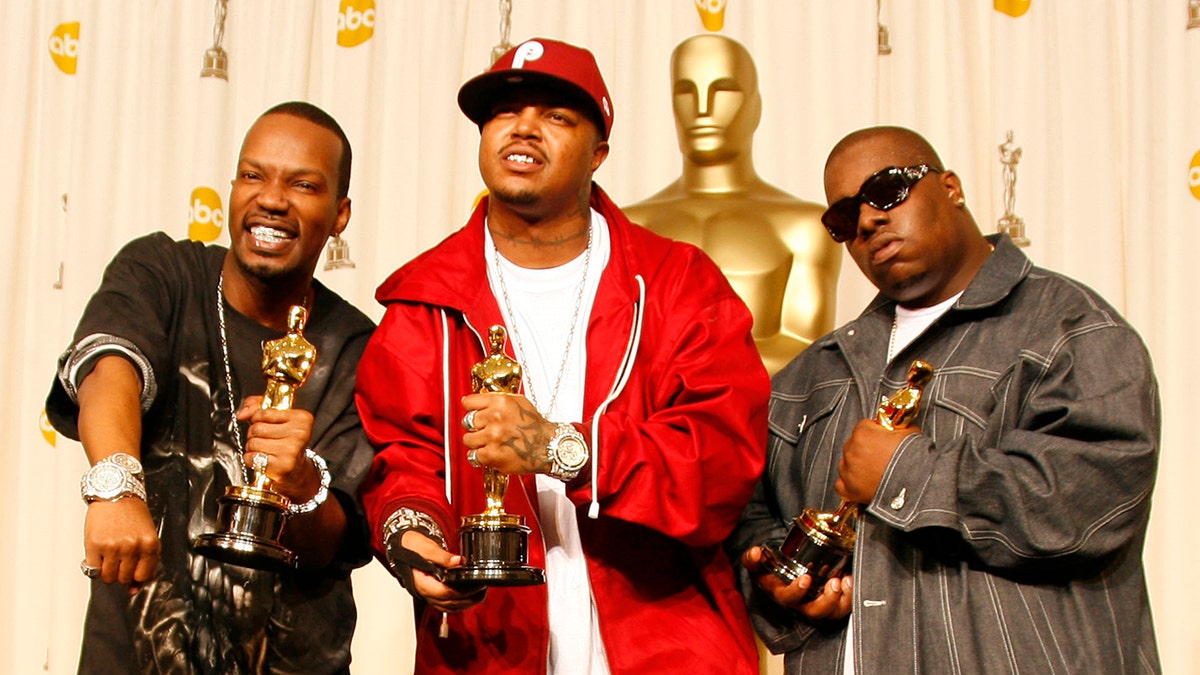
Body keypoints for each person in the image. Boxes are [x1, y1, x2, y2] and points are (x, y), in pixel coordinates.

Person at [355, 38, 769, 674]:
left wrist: (563, 449)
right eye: (504, 112)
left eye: (557, 116)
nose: (523, 127)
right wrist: (414, 539)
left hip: (666, 643)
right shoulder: (424, 301)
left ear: (599, 152)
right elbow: (402, 460)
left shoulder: (677, 283)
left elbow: (721, 460)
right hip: (491, 646)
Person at [730, 126, 1161, 673]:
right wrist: (780, 583)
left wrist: (904, 473)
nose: (867, 220)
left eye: (886, 191)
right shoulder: (809, 377)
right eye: (843, 218)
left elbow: (1097, 500)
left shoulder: (1069, 328)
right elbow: (748, 516)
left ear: (951, 187)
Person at [46, 101, 376, 674]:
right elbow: (108, 365)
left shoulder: (358, 346)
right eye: (253, 175)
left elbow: (333, 543)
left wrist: (297, 485)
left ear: (340, 213)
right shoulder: (162, 272)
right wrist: (118, 485)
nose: (271, 198)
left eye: (303, 184)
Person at [623, 34, 840, 375]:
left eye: (723, 90)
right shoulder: (626, 225)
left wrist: (681, 371)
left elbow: (807, 353)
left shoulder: (805, 226)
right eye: (685, 91)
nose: (703, 108)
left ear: (756, 106)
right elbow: (608, 350)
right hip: (641, 425)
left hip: (764, 423)